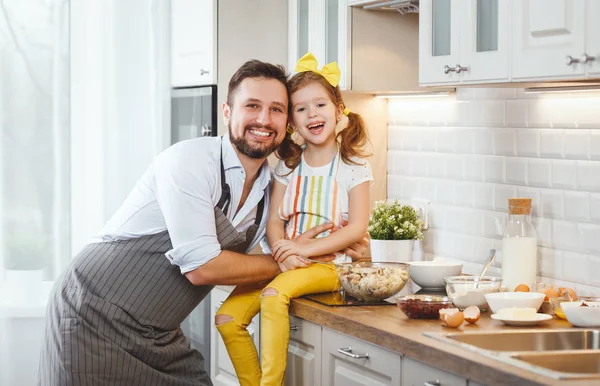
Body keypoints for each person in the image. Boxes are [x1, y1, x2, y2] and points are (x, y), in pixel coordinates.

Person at [38, 59, 369, 386]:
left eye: (277, 109)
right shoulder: (189, 161)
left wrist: (341, 243)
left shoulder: (274, 184)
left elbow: (273, 246)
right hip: (92, 316)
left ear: (287, 123)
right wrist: (292, 261)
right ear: (227, 112)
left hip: (159, 333)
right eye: (252, 106)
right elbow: (203, 267)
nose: (263, 119)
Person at [216, 52, 373, 386]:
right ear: (292, 122)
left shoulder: (355, 168)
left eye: (320, 105)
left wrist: (306, 253)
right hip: (289, 260)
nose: (312, 114)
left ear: (338, 110)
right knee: (227, 318)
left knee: (274, 297)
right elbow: (274, 220)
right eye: (301, 109)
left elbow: (358, 228)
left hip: (331, 266)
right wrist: (283, 251)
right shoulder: (286, 167)